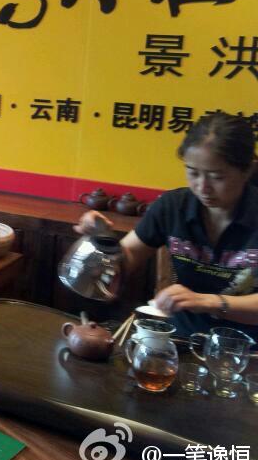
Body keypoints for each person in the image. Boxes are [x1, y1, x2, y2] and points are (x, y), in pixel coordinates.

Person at [75, 112, 258, 338]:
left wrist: (209, 302)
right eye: (193, 173)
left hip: (247, 346)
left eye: (216, 177)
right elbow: (128, 257)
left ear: (247, 170)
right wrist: (103, 239)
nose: (202, 187)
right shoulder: (173, 206)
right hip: (181, 338)